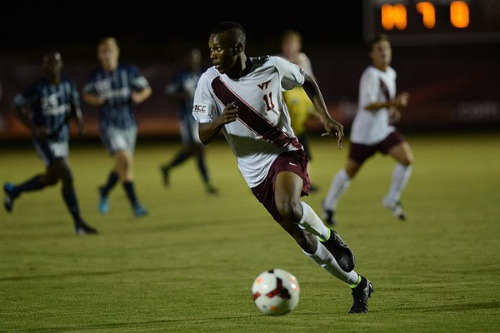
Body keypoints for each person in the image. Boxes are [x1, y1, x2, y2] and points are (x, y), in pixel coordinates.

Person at [193, 21, 373, 313]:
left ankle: (332, 238)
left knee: (288, 206)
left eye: (218, 49)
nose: (212, 55)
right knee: (302, 238)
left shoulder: (272, 66)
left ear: (237, 48)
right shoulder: (209, 82)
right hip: (253, 172)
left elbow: (307, 80)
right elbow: (202, 134)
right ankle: (358, 284)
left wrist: (325, 117)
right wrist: (219, 121)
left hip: (285, 151)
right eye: (210, 49)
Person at [322, 34, 413, 226]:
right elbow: (368, 105)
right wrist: (393, 103)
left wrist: (392, 109)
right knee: (349, 172)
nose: (384, 52)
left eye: (386, 48)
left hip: (383, 130)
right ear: (372, 54)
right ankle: (328, 204)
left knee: (407, 159)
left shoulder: (391, 73)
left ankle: (391, 199)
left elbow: (384, 102)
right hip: (365, 134)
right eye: (379, 49)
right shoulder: (370, 75)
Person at [3, 51, 98, 235]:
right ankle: (79, 224)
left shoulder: (68, 84)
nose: (52, 66)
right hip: (44, 140)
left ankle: (14, 190)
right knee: (67, 175)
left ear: (61, 64)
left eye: (56, 62)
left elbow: (75, 105)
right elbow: (16, 107)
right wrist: (33, 127)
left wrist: (79, 123)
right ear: (43, 67)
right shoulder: (37, 88)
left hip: (62, 138)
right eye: (48, 63)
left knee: (51, 179)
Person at [82, 37, 151, 217]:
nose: (107, 55)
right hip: (109, 125)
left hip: (129, 124)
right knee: (126, 161)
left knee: (122, 165)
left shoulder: (129, 71)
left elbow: (146, 89)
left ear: (117, 52)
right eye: (103, 51)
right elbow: (86, 94)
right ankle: (136, 205)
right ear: (99, 55)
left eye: (110, 51)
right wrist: (93, 100)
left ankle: (104, 191)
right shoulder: (95, 76)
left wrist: (139, 97)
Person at [160, 48, 218, 195]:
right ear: (187, 60)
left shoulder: (204, 75)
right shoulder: (181, 77)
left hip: (203, 117)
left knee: (196, 151)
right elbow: (169, 94)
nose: (194, 61)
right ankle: (208, 184)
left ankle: (168, 167)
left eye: (196, 58)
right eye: (191, 58)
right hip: (187, 118)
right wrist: (182, 95)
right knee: (199, 149)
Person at [278, 30, 320, 192]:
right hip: (284, 110)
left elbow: (310, 82)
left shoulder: (303, 59)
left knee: (305, 153)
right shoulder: (279, 60)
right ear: (283, 46)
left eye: (293, 44)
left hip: (298, 105)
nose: (290, 47)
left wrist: (315, 109)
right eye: (288, 44)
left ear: (298, 45)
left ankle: (306, 182)